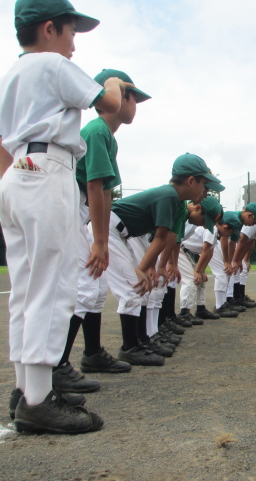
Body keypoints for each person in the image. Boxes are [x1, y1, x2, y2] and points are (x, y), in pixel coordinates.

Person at [0, 0, 135, 434]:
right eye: (71, 32)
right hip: (48, 171)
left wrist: (15, 183)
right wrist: (114, 81)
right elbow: (109, 102)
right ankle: (38, 401)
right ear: (50, 28)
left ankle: (27, 389)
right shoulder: (52, 65)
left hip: (18, 173)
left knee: (25, 289)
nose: (74, 44)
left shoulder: (12, 75)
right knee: (52, 286)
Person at [51, 69, 151, 397]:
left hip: (83, 216)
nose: (136, 103)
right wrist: (99, 240)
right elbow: (93, 186)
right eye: (133, 95)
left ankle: (91, 354)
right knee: (83, 289)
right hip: (71, 213)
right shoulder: (96, 130)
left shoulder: (109, 136)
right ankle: (56, 367)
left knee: (95, 289)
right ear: (119, 97)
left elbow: (107, 191)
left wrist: (103, 239)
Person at [107, 154, 217, 365]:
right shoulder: (169, 196)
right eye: (203, 184)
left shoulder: (174, 199)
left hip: (121, 233)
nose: (204, 191)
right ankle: (130, 347)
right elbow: (161, 237)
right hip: (108, 229)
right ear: (191, 181)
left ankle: (140, 341)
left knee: (141, 288)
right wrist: (146, 267)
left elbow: (167, 239)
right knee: (134, 287)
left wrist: (154, 266)